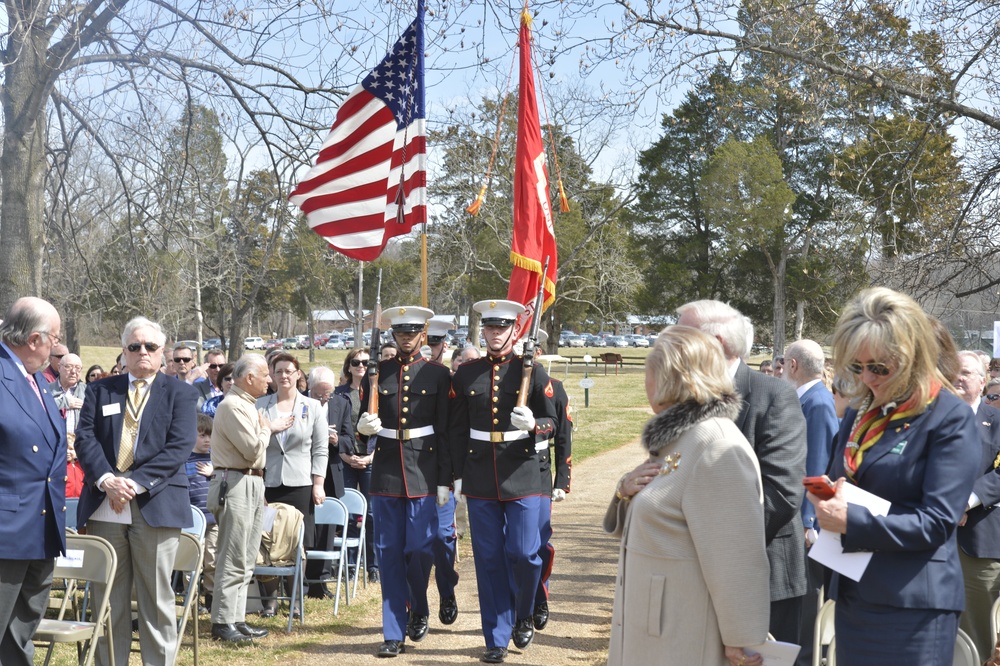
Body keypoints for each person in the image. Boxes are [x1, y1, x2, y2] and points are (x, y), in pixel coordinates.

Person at [806, 287, 980, 665]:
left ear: (912, 358)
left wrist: (852, 520)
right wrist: (827, 496)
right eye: (857, 366)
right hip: (854, 593)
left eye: (879, 368)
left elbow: (936, 522)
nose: (867, 377)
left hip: (912, 604)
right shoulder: (861, 411)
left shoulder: (949, 418)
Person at [603, 325, 769, 666]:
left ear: (671, 378)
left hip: (685, 635)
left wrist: (743, 637)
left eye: (649, 372)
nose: (645, 381)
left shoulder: (716, 445)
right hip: (655, 631)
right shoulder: (679, 438)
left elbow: (738, 555)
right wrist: (624, 490)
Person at [677, 300, 807, 643]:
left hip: (762, 573)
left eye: (681, 337)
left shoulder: (774, 395)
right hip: (695, 574)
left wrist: (712, 547)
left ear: (716, 344)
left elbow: (782, 493)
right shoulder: (685, 397)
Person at [75, 316, 199, 666]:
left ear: (164, 353)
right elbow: (85, 438)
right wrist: (106, 480)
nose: (142, 352)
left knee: (156, 601)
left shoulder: (181, 394)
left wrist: (133, 482)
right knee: (107, 601)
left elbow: (180, 447)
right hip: (105, 504)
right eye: (134, 346)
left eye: (150, 347)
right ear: (124, 351)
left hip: (155, 502)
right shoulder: (101, 390)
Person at [449, 299, 558, 664]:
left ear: (516, 330)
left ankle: (525, 610)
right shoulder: (467, 373)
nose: (494, 334)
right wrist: (456, 476)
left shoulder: (533, 371)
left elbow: (553, 422)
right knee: (489, 559)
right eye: (489, 327)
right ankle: (496, 637)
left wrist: (534, 426)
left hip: (523, 472)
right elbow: (457, 429)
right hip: (481, 475)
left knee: (525, 553)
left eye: (501, 328)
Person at [356, 306, 453, 658]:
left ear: (423, 335)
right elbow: (359, 428)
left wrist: (445, 480)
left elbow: (444, 432)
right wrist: (361, 430)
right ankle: (393, 632)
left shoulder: (438, 375)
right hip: (385, 472)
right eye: (400, 333)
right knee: (389, 555)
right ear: (394, 336)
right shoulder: (376, 373)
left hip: (424, 473)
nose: (406, 338)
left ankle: (420, 605)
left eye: (412, 333)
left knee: (420, 550)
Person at [0, 297, 67, 666]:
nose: (56, 347)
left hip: (42, 525)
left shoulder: (39, 380)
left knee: (20, 634)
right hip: (7, 529)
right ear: (35, 339)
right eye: (54, 339)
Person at [256, 352, 328, 617]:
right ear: (271, 376)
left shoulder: (312, 406)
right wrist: (271, 429)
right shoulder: (260, 406)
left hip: (300, 483)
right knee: (267, 540)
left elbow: (320, 449)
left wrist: (317, 483)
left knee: (298, 541)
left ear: (298, 374)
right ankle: (270, 602)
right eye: (278, 371)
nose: (284, 376)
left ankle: (296, 598)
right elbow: (253, 445)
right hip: (268, 482)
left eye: (289, 371)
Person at [207, 353, 272, 643]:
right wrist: (266, 430)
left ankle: (236, 618)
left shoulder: (247, 406)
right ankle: (222, 622)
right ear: (249, 378)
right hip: (235, 482)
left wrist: (261, 432)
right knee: (232, 555)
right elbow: (253, 451)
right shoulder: (233, 406)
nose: (269, 380)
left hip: (250, 481)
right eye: (266, 375)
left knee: (246, 557)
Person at [783, 339, 839, 666]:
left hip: (810, 522)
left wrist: (807, 520)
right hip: (805, 515)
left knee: (808, 600)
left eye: (783, 365)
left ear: (793, 366)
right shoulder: (810, 399)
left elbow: (816, 465)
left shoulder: (816, 403)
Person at [952, 350, 1000, 658]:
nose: (957, 376)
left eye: (966, 372)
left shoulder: (996, 421)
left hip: (977, 543)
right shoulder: (926, 421)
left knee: (977, 634)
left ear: (982, 383)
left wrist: (965, 502)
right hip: (929, 538)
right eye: (951, 370)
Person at [530, 329, 572, 633]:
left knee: (539, 542)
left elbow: (563, 437)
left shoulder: (554, 388)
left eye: (530, 352)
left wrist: (562, 480)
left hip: (541, 474)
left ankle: (539, 597)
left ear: (539, 354)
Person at [304, 366, 349, 598]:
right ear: (309, 388)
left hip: (331, 473)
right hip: (303, 472)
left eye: (328, 394)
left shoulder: (341, 404)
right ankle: (300, 580)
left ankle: (320, 583)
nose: (324, 399)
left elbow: (349, 439)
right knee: (305, 527)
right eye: (319, 394)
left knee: (326, 530)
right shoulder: (300, 403)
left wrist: (336, 440)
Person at [187, 414, 218, 614]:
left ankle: (212, 597)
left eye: (210, 436)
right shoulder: (184, 460)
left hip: (214, 518)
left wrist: (214, 473)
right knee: (191, 561)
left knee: (212, 559)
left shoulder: (217, 459)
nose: (207, 440)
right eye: (202, 435)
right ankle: (193, 600)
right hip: (192, 520)